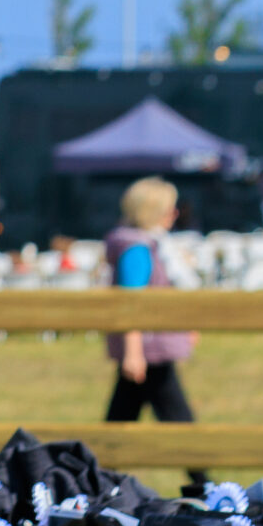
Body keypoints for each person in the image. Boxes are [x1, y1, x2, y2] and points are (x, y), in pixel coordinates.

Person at [102, 176, 199, 425]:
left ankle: (100, 463)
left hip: (151, 347)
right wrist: (133, 354)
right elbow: (132, 304)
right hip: (150, 349)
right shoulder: (137, 249)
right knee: (178, 419)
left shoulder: (153, 244)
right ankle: (199, 462)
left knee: (121, 418)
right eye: (169, 209)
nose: (175, 214)